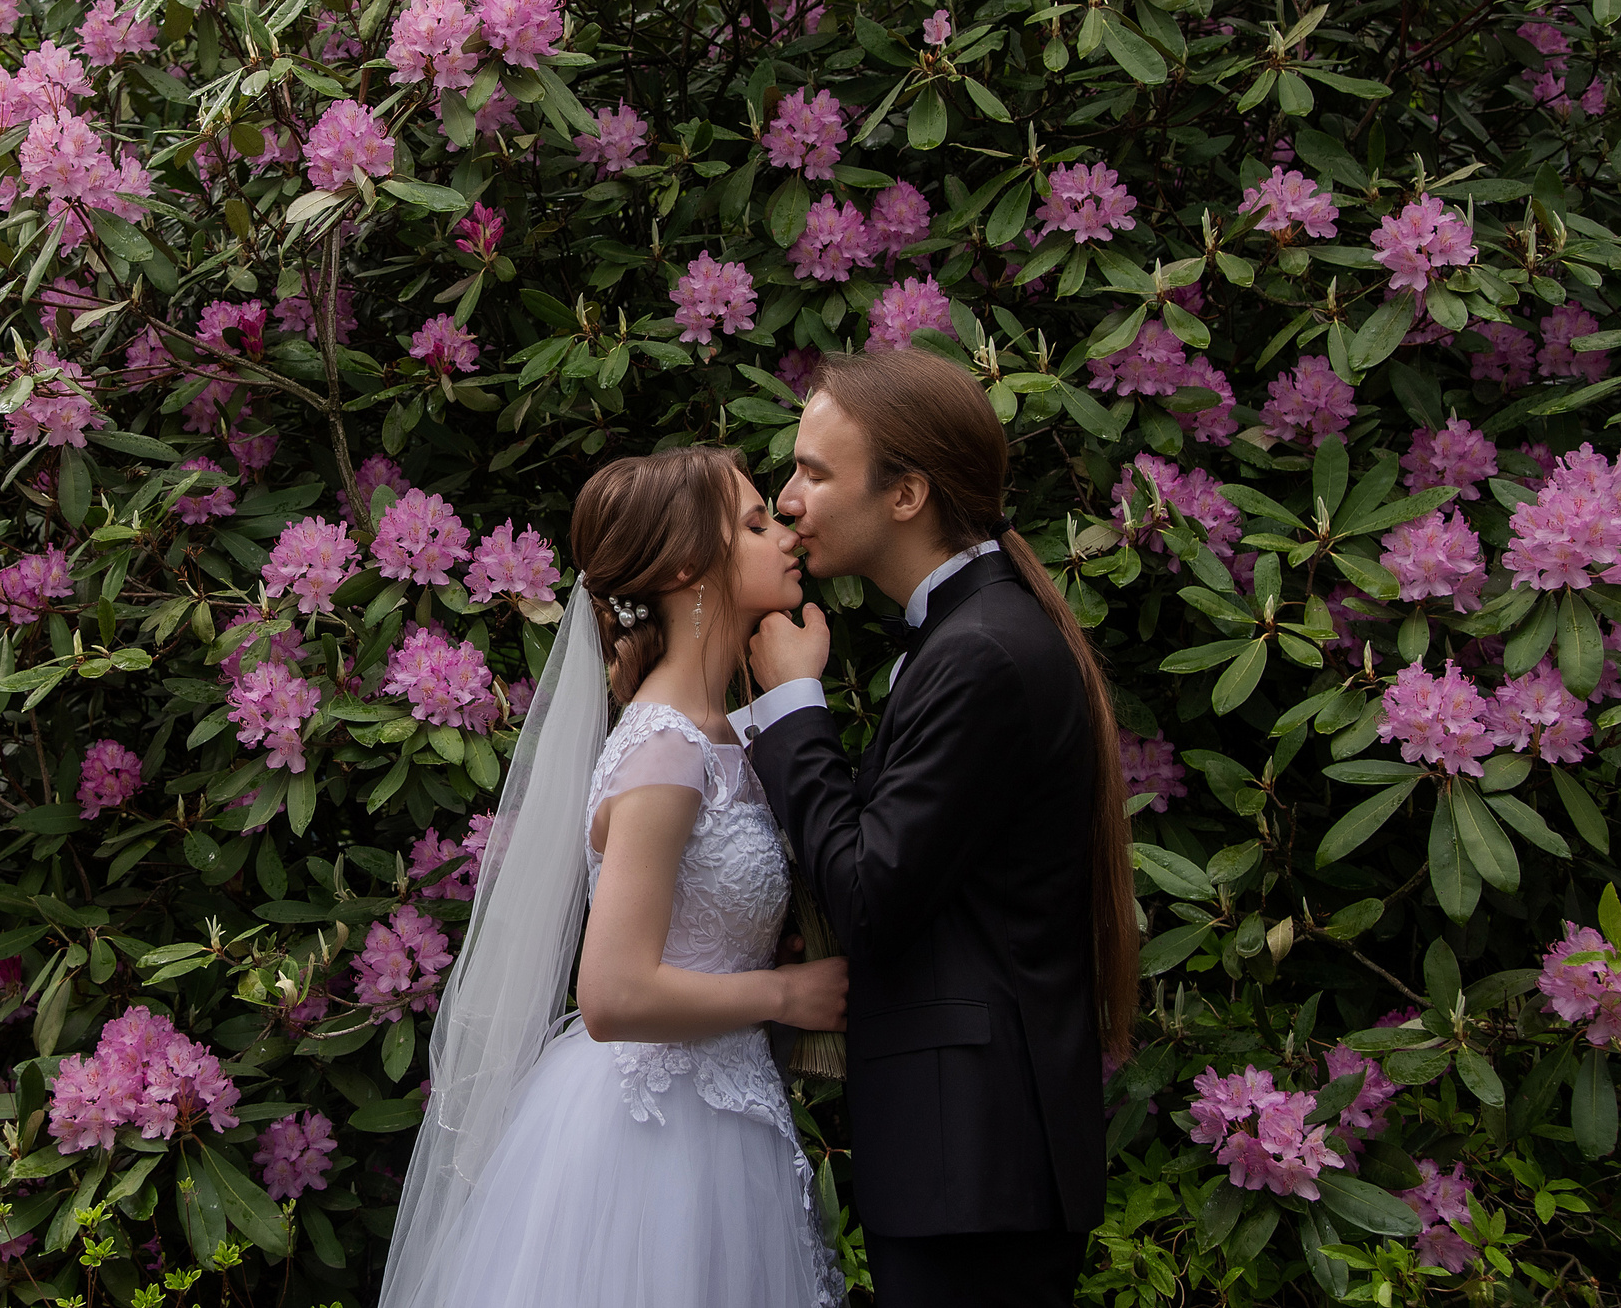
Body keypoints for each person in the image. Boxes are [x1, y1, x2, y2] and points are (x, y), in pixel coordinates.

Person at [378, 445, 850, 1308]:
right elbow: (613, 994)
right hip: (655, 1136)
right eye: (754, 524)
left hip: (722, 1118)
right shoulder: (666, 748)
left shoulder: (722, 736)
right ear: (683, 568)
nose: (784, 531)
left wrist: (799, 690)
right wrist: (786, 995)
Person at [740, 346, 1138, 1308]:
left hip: (976, 1164)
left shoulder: (983, 654)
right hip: (970, 1160)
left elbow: (875, 895)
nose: (788, 497)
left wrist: (795, 706)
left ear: (907, 492)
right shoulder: (969, 634)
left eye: (815, 471)